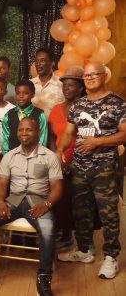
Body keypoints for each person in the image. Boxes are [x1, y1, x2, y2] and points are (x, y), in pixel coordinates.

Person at [0, 117, 63, 296]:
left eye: (29, 130)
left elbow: (57, 187)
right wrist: (1, 202)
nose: (24, 133)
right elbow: (1, 184)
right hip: (14, 200)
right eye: (21, 130)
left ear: (38, 133)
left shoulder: (49, 156)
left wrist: (47, 204)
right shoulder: (10, 156)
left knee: (48, 229)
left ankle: (44, 277)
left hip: (38, 201)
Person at [56, 62, 126, 279]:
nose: (89, 78)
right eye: (86, 75)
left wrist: (97, 142)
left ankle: (111, 258)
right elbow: (68, 133)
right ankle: (84, 250)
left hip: (104, 167)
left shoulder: (117, 103)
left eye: (94, 74)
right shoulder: (79, 105)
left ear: (104, 76)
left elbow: (124, 135)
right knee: (81, 212)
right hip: (79, 167)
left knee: (108, 214)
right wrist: (59, 151)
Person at [48, 66, 85, 252]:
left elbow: (86, 138)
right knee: (58, 198)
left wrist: (71, 162)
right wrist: (57, 159)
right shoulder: (56, 109)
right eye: (65, 86)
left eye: (71, 85)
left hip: (80, 162)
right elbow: (51, 137)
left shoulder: (86, 108)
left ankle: (74, 237)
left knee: (75, 201)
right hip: (59, 163)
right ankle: (63, 233)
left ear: (80, 87)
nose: (67, 89)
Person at [1, 79, 47, 155]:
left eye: (26, 93)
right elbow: (4, 140)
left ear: (33, 94)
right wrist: (8, 156)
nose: (21, 96)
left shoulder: (40, 115)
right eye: (18, 93)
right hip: (13, 157)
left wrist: (37, 156)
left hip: (34, 156)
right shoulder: (8, 115)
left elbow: (42, 139)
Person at [31, 48, 64, 117]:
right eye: (36, 61)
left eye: (42, 61)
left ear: (52, 63)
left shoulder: (61, 85)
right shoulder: (29, 85)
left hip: (54, 127)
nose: (38, 64)